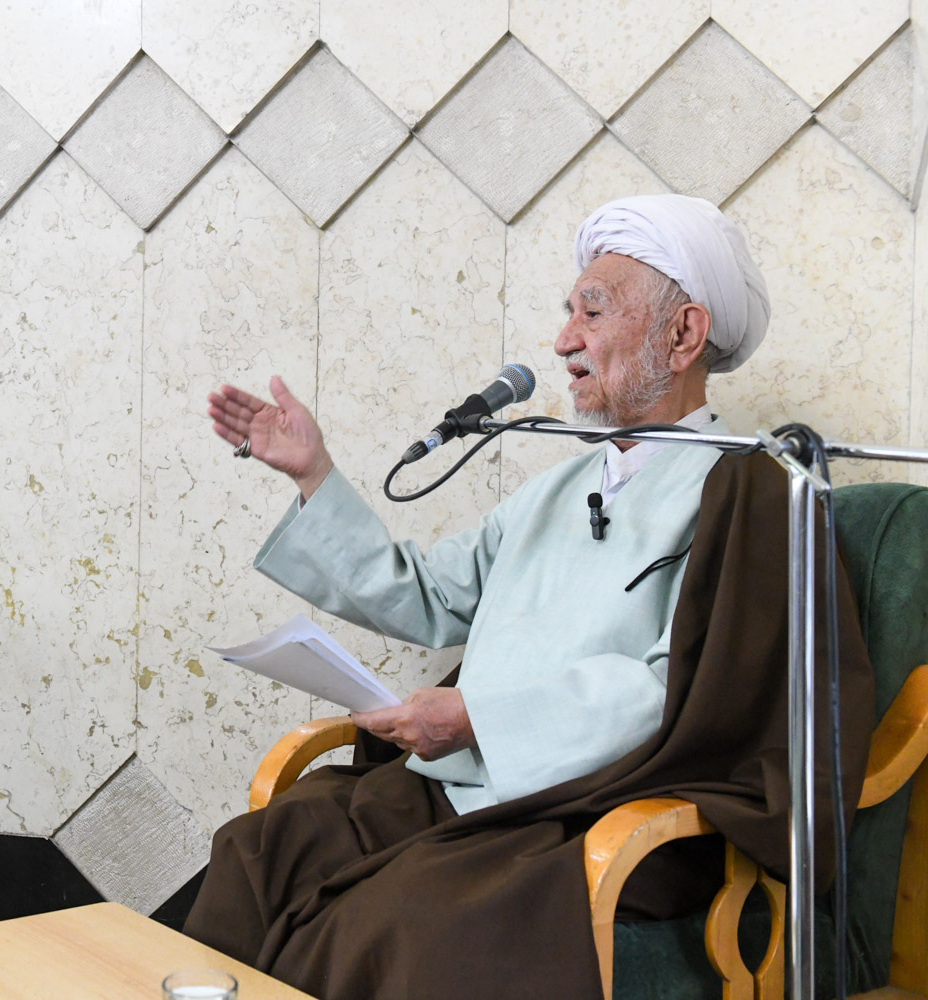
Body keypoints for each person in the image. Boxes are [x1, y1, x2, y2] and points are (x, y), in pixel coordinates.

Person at [187, 195, 874, 999]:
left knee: (399, 922)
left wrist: (478, 717)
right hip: (460, 789)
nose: (563, 340)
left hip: (585, 813)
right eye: (567, 312)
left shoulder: (752, 491)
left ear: (684, 335)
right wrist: (314, 474)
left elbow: (686, 694)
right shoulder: (557, 488)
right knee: (260, 849)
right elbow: (428, 596)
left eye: (593, 311)